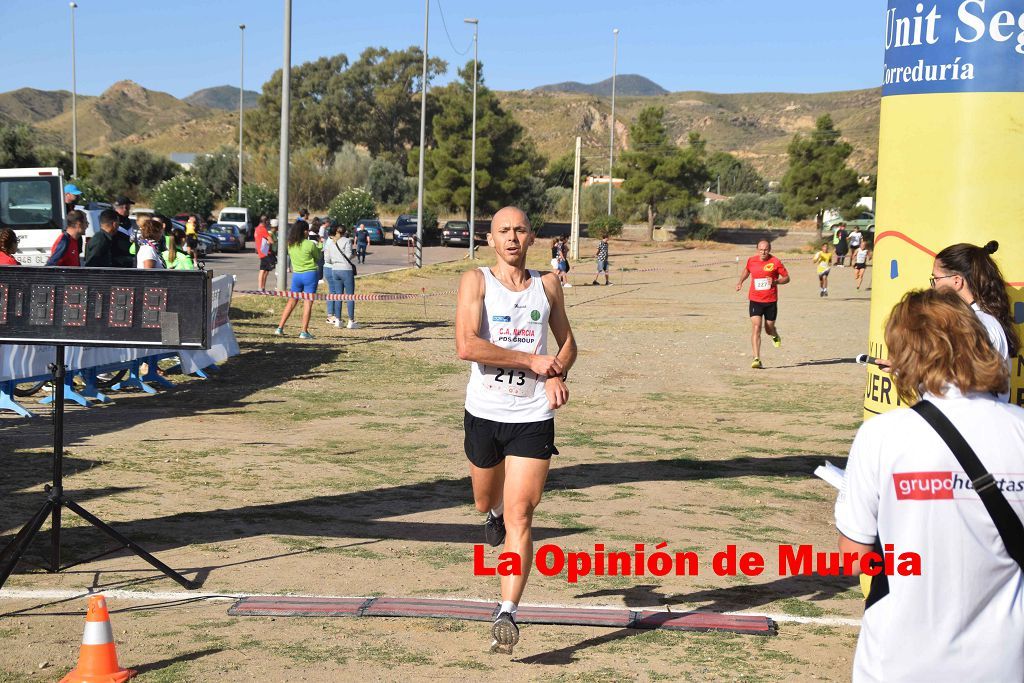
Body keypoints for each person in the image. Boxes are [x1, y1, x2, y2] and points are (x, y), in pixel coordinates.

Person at [835, 288, 1024, 682]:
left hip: (898, 658)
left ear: (905, 355)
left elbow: (853, 558)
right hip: (1005, 659)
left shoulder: (882, 434)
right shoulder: (1020, 430)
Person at [455, 206, 577, 655]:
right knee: (487, 501)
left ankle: (507, 611)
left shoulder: (547, 285)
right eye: (503, 231)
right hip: (485, 411)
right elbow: (466, 345)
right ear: (491, 239)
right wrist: (531, 361)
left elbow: (567, 343)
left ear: (531, 239)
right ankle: (490, 515)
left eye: (520, 230)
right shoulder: (476, 282)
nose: (512, 238)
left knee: (521, 515)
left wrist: (557, 372)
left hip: (532, 416)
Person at [931, 240, 1018, 364]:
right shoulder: (975, 321)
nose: (933, 286)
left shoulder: (978, 325)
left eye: (936, 279)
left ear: (957, 281)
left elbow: (960, 379)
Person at [735, 239, 790, 369]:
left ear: (769, 249)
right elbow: (747, 270)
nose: (763, 252)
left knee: (768, 329)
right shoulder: (752, 260)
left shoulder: (776, 262)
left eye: (765, 249)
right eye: (760, 249)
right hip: (755, 300)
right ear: (757, 250)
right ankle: (756, 358)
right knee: (756, 327)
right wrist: (740, 282)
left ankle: (775, 335)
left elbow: (787, 278)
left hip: (770, 301)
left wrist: (775, 282)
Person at [274, 220, 322, 339]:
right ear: (305, 231)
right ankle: (304, 331)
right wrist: (320, 245)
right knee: (308, 303)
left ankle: (280, 327)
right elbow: (317, 257)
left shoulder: (291, 244)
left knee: (291, 301)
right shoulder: (310, 244)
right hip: (310, 274)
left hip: (297, 275)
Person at [324, 225, 360, 329]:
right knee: (349, 296)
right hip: (346, 270)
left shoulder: (332, 242)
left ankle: (338, 320)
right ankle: (351, 321)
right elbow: (348, 255)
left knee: (338, 295)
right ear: (345, 232)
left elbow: (327, 259)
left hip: (335, 269)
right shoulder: (347, 241)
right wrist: (354, 255)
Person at [111, 196, 137, 268]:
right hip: (117, 263)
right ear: (124, 207)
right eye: (128, 207)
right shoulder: (113, 221)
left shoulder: (127, 221)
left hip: (128, 261)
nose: (129, 209)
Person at [255, 217, 277, 291]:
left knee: (264, 270)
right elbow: (271, 241)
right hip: (266, 253)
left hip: (261, 252)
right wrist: (275, 241)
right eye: (268, 222)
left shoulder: (257, 228)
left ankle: (261, 287)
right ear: (265, 221)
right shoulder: (263, 229)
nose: (268, 224)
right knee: (264, 270)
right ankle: (261, 287)